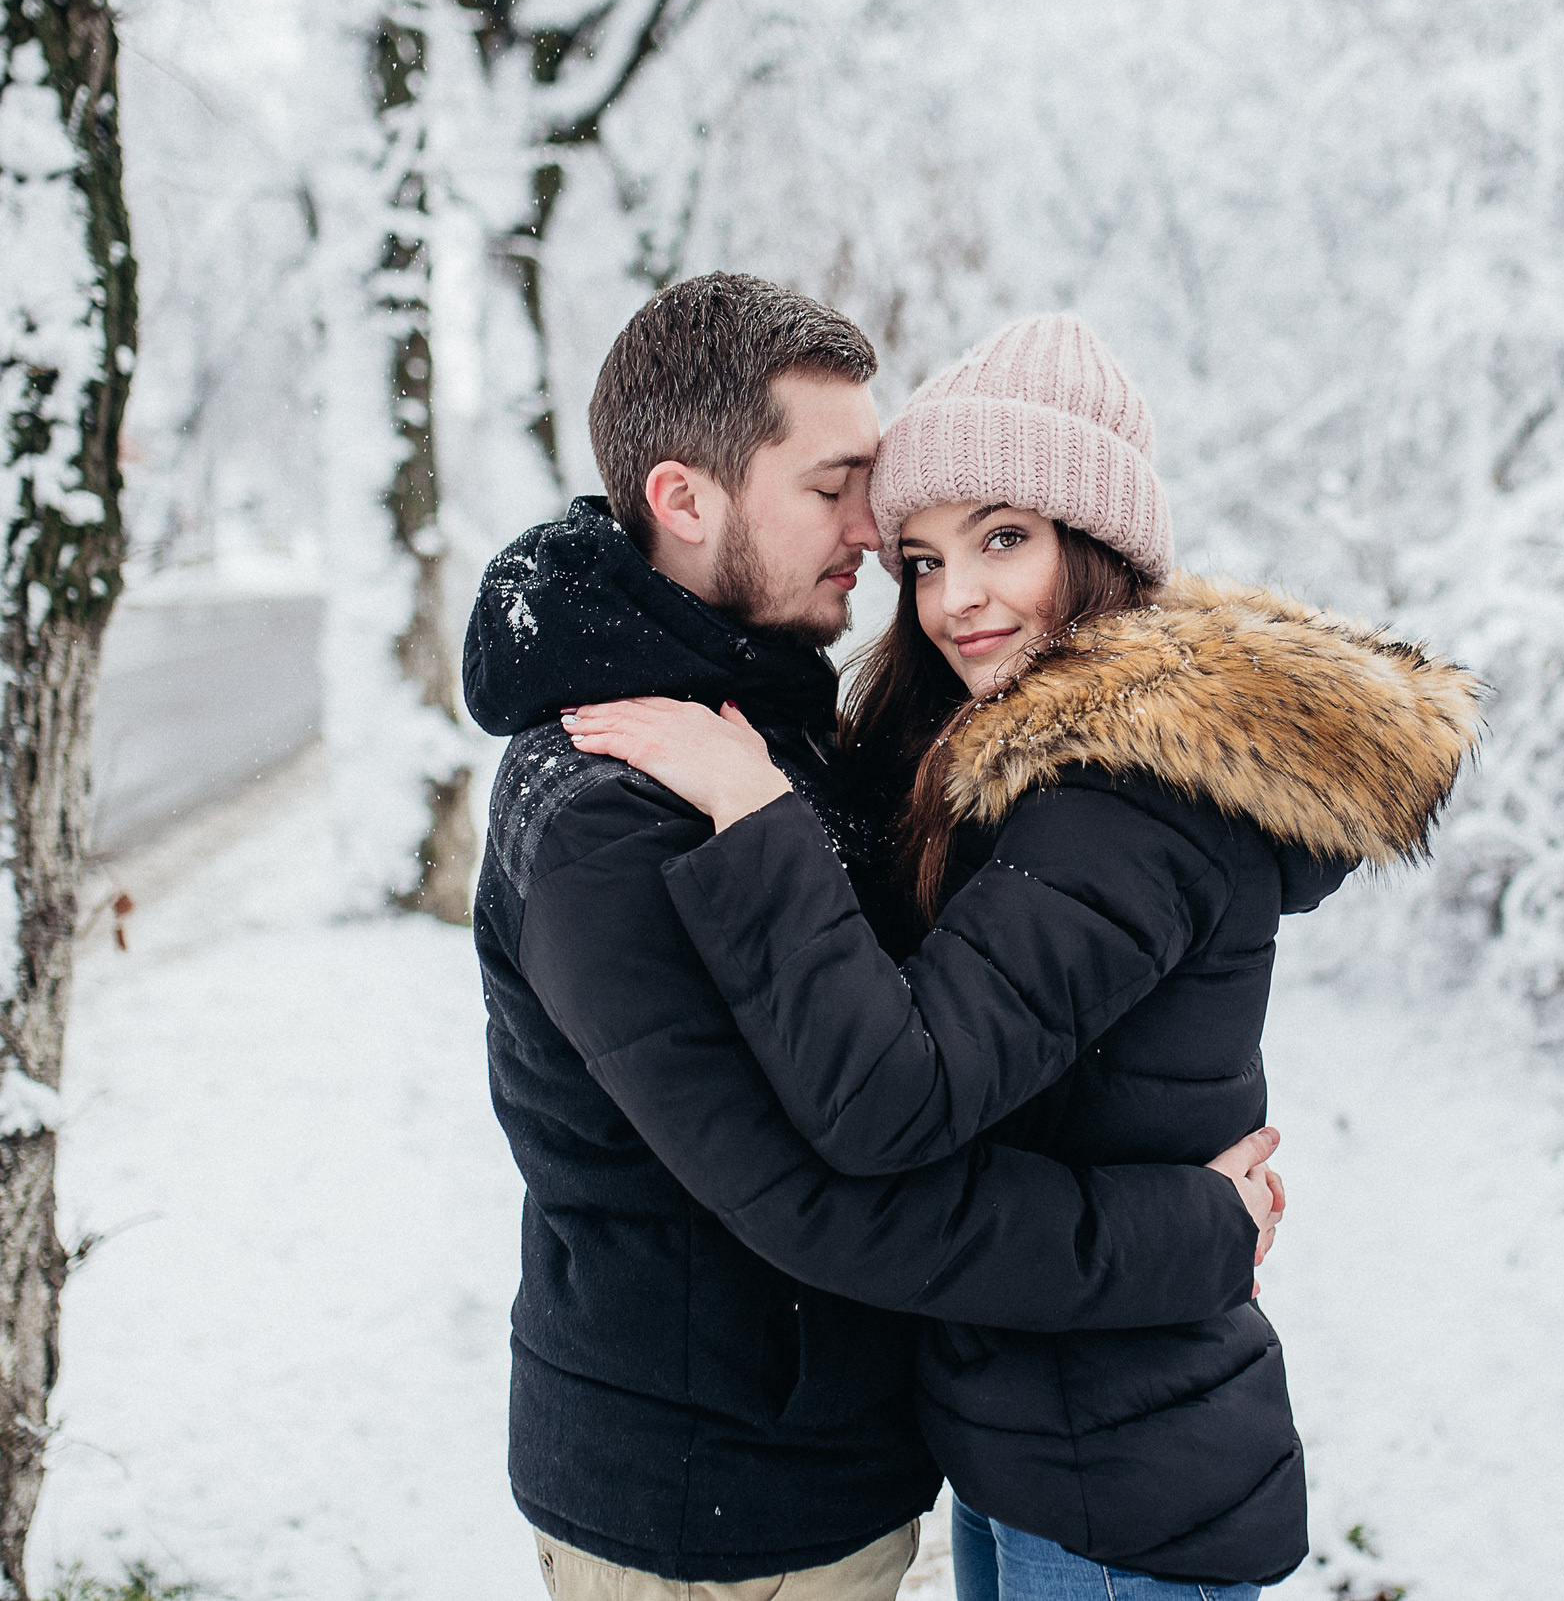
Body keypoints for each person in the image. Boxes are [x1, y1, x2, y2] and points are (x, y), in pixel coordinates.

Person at [562, 314, 1482, 1599]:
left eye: (1006, 538)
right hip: (1042, 1437)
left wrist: (759, 818)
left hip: (1118, 1466)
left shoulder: (1118, 800)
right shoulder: (1012, 774)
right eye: (926, 559)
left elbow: (896, 1096)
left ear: (1097, 541)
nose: (956, 599)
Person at [462, 277, 1288, 1601]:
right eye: (841, 489)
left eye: (995, 536)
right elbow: (824, 1189)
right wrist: (1185, 1234)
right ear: (686, 500)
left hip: (869, 1469)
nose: (879, 531)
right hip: (711, 1506)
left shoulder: (772, 727)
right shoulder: (622, 801)